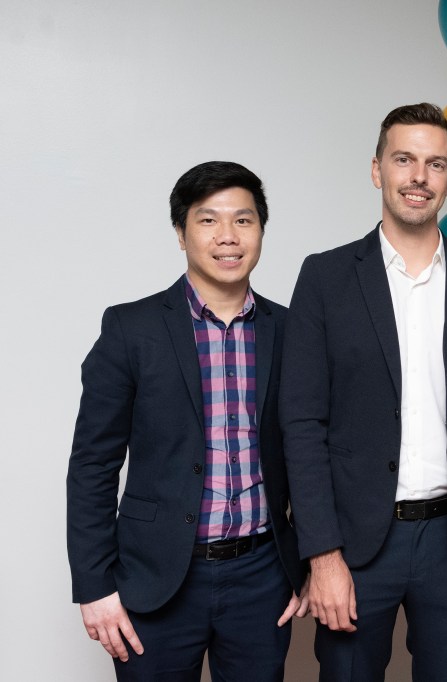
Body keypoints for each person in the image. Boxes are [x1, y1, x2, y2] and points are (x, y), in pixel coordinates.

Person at [280, 102, 447, 681]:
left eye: (435, 164)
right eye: (404, 159)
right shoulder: (325, 278)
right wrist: (322, 555)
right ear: (376, 169)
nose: (419, 177)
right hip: (354, 547)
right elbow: (301, 424)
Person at [66, 161, 308, 681]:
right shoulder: (131, 329)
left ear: (261, 230)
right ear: (181, 233)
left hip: (262, 578)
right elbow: (92, 465)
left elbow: (312, 451)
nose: (228, 236)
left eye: (243, 220)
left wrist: (308, 564)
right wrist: (94, 587)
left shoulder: (291, 330)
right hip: (155, 580)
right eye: (208, 220)